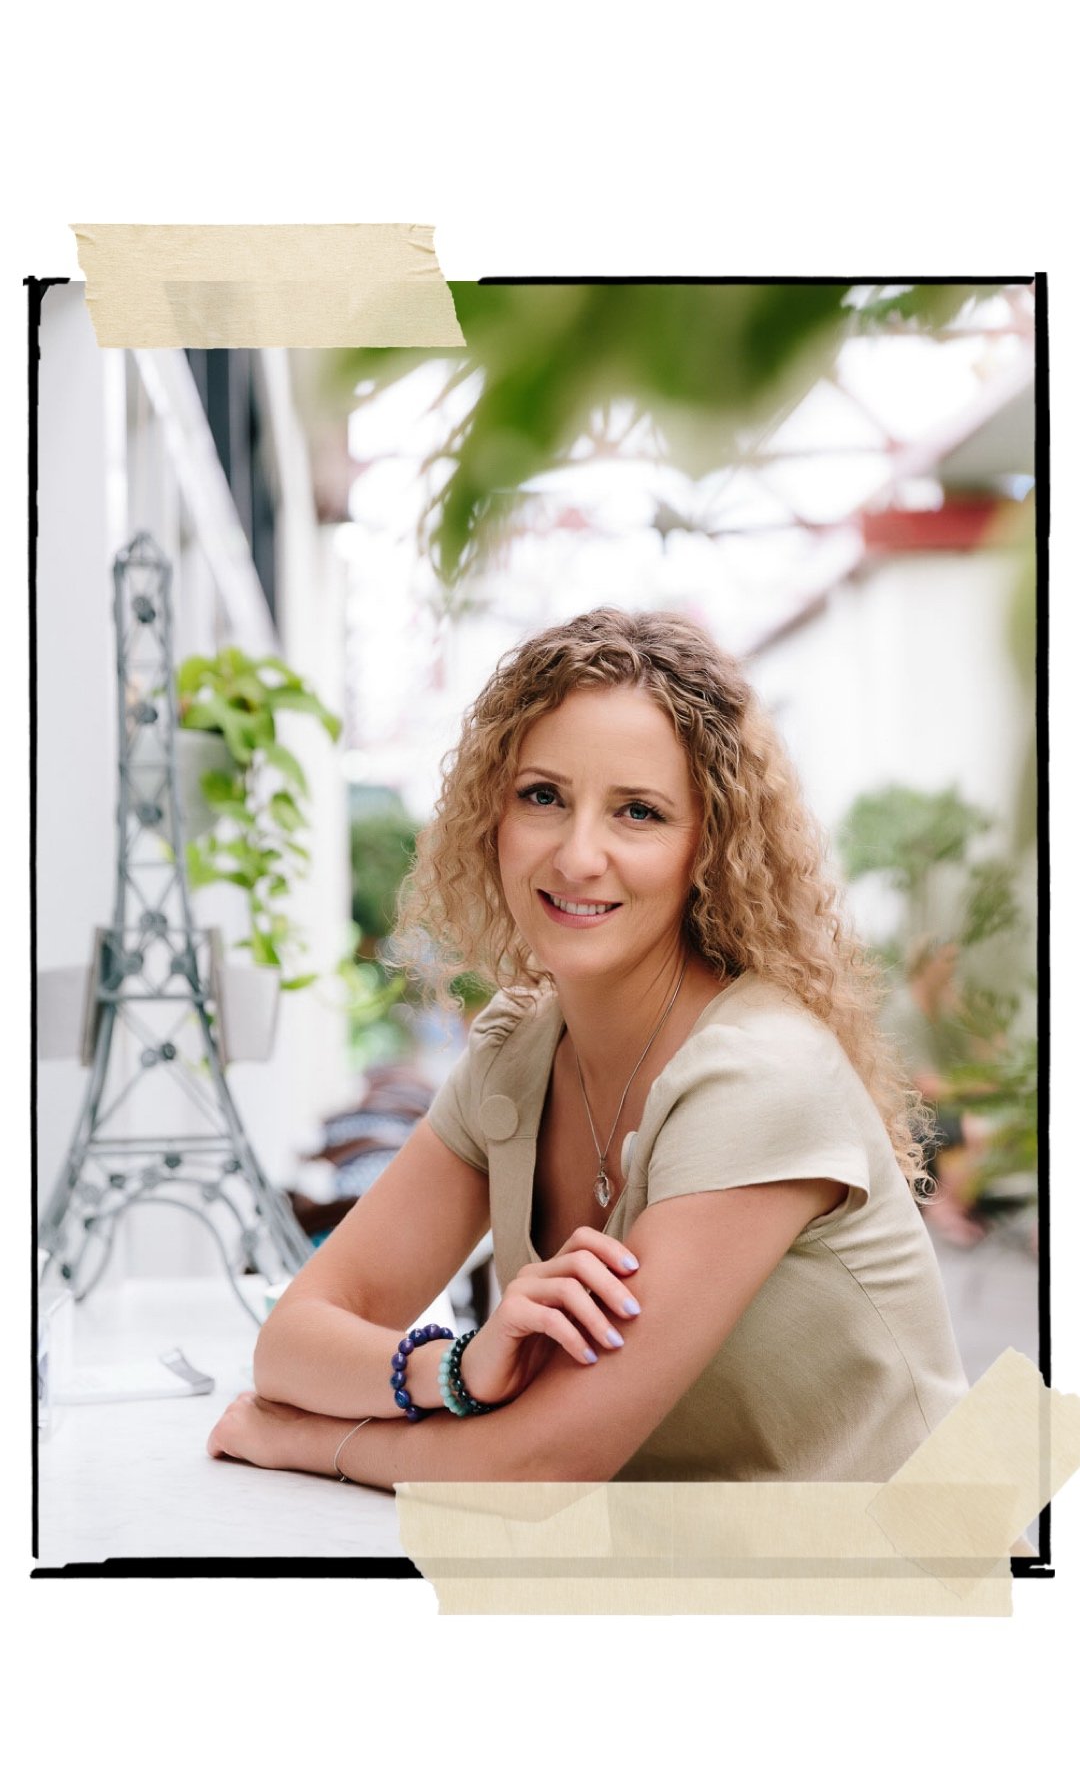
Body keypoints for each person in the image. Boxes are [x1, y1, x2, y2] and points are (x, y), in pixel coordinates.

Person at [208, 608, 970, 1486]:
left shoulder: (761, 1077)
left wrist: (314, 1441)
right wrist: (456, 1368)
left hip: (882, 1587)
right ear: (491, 816)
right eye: (543, 797)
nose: (577, 856)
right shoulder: (518, 1054)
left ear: (707, 849)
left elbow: (543, 1464)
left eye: (638, 813)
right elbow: (295, 1340)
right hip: (679, 1569)